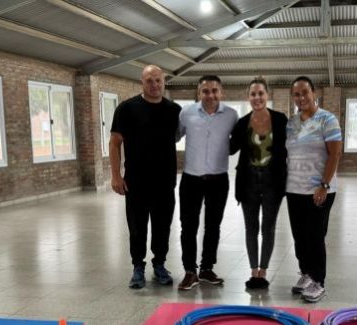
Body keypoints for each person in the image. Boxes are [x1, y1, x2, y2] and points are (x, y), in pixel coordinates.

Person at [109, 65, 181, 289]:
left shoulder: (174, 110)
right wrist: (115, 175)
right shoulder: (126, 109)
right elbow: (115, 142)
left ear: (164, 81)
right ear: (142, 81)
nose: (154, 85)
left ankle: (159, 265)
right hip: (136, 182)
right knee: (137, 227)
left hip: (165, 182)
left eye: (158, 80)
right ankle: (138, 267)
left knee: (162, 226)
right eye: (150, 80)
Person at [176, 75, 238, 291]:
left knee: (213, 226)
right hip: (190, 179)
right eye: (205, 91)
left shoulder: (231, 115)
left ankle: (207, 268)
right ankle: (190, 271)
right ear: (199, 92)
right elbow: (173, 136)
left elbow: (239, 141)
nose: (210, 95)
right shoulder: (186, 113)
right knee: (188, 226)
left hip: (218, 180)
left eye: (214, 91)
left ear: (221, 92)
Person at [285, 76, 343, 303]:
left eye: (305, 93)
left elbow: (335, 154)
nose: (301, 98)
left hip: (319, 190)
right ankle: (306, 273)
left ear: (313, 93)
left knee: (315, 236)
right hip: (294, 189)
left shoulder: (327, 119)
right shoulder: (291, 123)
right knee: (299, 237)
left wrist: (324, 185)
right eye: (296, 94)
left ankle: (318, 281)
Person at [230, 77, 288, 290]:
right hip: (248, 182)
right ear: (248, 97)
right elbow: (231, 149)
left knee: (268, 228)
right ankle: (253, 271)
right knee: (251, 227)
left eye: (260, 93)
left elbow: (290, 147)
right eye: (253, 94)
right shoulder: (242, 123)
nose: (257, 97)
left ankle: (263, 271)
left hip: (273, 182)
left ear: (267, 95)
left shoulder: (280, 120)